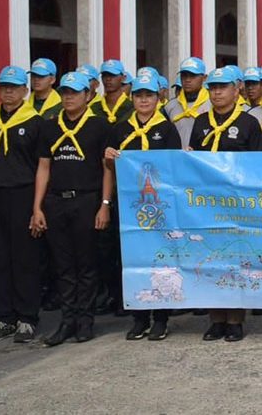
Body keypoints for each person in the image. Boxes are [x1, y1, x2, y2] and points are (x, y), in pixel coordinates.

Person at [32, 71, 114, 346]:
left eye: (74, 93)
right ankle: (67, 321)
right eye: (65, 92)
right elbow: (44, 167)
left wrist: (104, 205)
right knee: (63, 265)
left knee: (87, 264)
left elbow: (107, 169)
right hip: (56, 201)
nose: (68, 97)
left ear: (87, 95)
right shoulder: (50, 126)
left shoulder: (99, 126)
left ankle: (85, 321)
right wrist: (37, 207)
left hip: (87, 200)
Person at [189, 66, 262, 342]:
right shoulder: (201, 121)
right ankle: (216, 319)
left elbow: (259, 164)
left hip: (237, 203)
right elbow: (194, 161)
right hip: (207, 203)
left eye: (222, 87)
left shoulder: (248, 123)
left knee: (235, 258)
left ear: (236, 90)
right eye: (213, 88)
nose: (217, 93)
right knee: (209, 258)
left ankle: (235, 320)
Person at [106, 72, 183, 341]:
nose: (143, 100)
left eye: (149, 95)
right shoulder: (120, 129)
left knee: (161, 258)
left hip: (160, 206)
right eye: (139, 95)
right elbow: (110, 168)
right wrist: (109, 158)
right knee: (133, 258)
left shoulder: (167, 129)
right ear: (132, 98)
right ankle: (139, 316)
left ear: (158, 98)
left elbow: (175, 167)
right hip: (130, 207)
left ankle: (161, 317)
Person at [0, 66, 45, 344]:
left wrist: (37, 207)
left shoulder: (36, 123)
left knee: (25, 259)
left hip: (23, 194)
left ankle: (27, 318)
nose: (8, 91)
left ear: (25, 91)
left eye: (14, 87)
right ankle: (5, 316)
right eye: (4, 86)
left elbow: (42, 167)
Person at [163, 57, 211, 147]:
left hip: (203, 155)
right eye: (184, 75)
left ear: (204, 78)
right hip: (177, 154)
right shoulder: (170, 106)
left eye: (193, 76)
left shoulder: (212, 104)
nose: (187, 80)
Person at [91, 60, 132, 124]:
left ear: (123, 78)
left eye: (113, 75)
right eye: (105, 75)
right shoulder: (94, 108)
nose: (108, 79)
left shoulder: (132, 107)